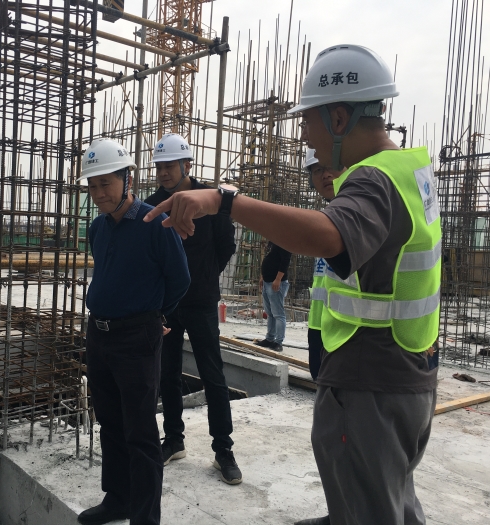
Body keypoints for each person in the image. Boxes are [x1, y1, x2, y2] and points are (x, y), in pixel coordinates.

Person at [143, 45, 441, 525]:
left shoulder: (374, 180)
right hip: (402, 368)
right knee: (383, 495)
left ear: (339, 118)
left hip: (373, 378)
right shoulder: (411, 170)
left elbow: (327, 235)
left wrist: (226, 201)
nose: (303, 135)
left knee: (373, 502)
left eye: (307, 121)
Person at [78, 138, 190, 525]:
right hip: (100, 334)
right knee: (110, 422)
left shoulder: (155, 223)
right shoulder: (98, 228)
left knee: (140, 432)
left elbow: (180, 279)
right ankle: (119, 499)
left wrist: (156, 315)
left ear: (128, 179)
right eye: (92, 186)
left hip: (136, 337)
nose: (98, 194)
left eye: (105, 184)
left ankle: (145, 518)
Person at [144, 133, 241, 485]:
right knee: (167, 373)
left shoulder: (209, 200)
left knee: (213, 374)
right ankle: (174, 440)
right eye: (159, 166)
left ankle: (223, 450)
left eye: (170, 166)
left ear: (187, 164)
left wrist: (203, 277)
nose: (163, 172)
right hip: (166, 305)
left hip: (201, 302)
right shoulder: (153, 205)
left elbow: (226, 245)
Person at [305, 148, 344, 380]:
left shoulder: (359, 213)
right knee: (319, 380)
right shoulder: (325, 216)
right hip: (319, 321)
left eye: (331, 166)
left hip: (346, 328)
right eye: (318, 170)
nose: (326, 174)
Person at [256, 240, 292, 352]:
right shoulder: (274, 240)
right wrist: (263, 276)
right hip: (267, 281)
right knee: (270, 313)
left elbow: (285, 261)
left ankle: (278, 341)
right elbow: (271, 258)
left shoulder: (285, 241)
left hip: (276, 282)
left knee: (278, 314)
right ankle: (270, 338)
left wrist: (278, 279)